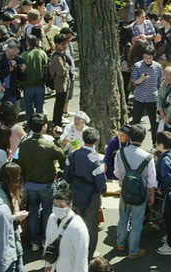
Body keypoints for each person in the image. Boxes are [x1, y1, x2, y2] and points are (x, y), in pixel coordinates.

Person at [16, 113, 65, 251]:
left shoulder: (24, 142)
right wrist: (56, 138)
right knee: (47, 212)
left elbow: (16, 158)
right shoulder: (48, 144)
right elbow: (61, 154)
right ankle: (46, 239)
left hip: (30, 184)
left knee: (33, 211)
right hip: (46, 184)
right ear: (44, 127)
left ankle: (34, 241)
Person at [114, 124, 157, 259]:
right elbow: (152, 180)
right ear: (143, 139)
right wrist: (151, 195)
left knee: (123, 219)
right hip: (140, 194)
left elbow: (117, 173)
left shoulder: (120, 153)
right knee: (136, 223)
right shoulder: (148, 157)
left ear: (130, 137)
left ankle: (120, 243)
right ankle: (133, 251)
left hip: (124, 192)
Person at [63, 127, 106, 259]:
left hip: (75, 190)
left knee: (74, 222)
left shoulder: (73, 154)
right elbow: (101, 183)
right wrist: (102, 191)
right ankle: (89, 253)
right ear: (96, 140)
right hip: (91, 195)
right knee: (91, 225)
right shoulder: (96, 161)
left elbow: (66, 174)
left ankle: (74, 248)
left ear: (83, 139)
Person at [43, 188, 90, 272]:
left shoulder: (78, 227)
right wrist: (48, 264)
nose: (57, 208)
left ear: (70, 206)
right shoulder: (52, 218)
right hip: (54, 267)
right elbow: (48, 241)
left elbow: (81, 256)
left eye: (61, 206)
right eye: (55, 205)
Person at [0, 163, 28, 271]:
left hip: (14, 232)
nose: (20, 177)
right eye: (18, 174)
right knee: (12, 262)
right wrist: (16, 216)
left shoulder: (9, 187)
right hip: (4, 236)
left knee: (19, 256)